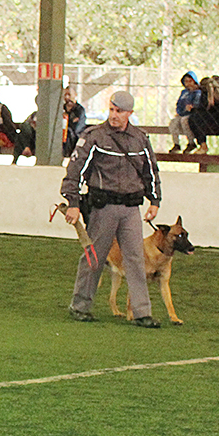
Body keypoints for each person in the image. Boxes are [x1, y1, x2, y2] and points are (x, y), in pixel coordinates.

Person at [61, 90, 162, 328]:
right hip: (103, 207)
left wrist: (155, 201)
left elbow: (151, 171)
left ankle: (141, 311)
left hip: (131, 209)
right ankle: (80, 305)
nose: (114, 115)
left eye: (119, 111)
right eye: (112, 110)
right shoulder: (94, 136)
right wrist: (73, 203)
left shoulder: (140, 139)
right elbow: (75, 171)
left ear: (130, 113)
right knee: (94, 257)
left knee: (136, 258)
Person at [167, 72, 203, 153]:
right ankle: (176, 144)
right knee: (173, 123)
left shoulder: (198, 92)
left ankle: (191, 143)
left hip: (191, 115)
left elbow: (196, 105)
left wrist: (192, 107)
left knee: (184, 121)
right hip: (182, 113)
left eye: (190, 81)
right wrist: (180, 111)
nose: (188, 84)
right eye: (186, 81)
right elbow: (179, 104)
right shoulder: (184, 92)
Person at [62, 86, 87, 156]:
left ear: (75, 95)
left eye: (69, 95)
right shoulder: (62, 109)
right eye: (65, 95)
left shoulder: (79, 110)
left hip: (74, 136)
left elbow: (77, 128)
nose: (67, 98)